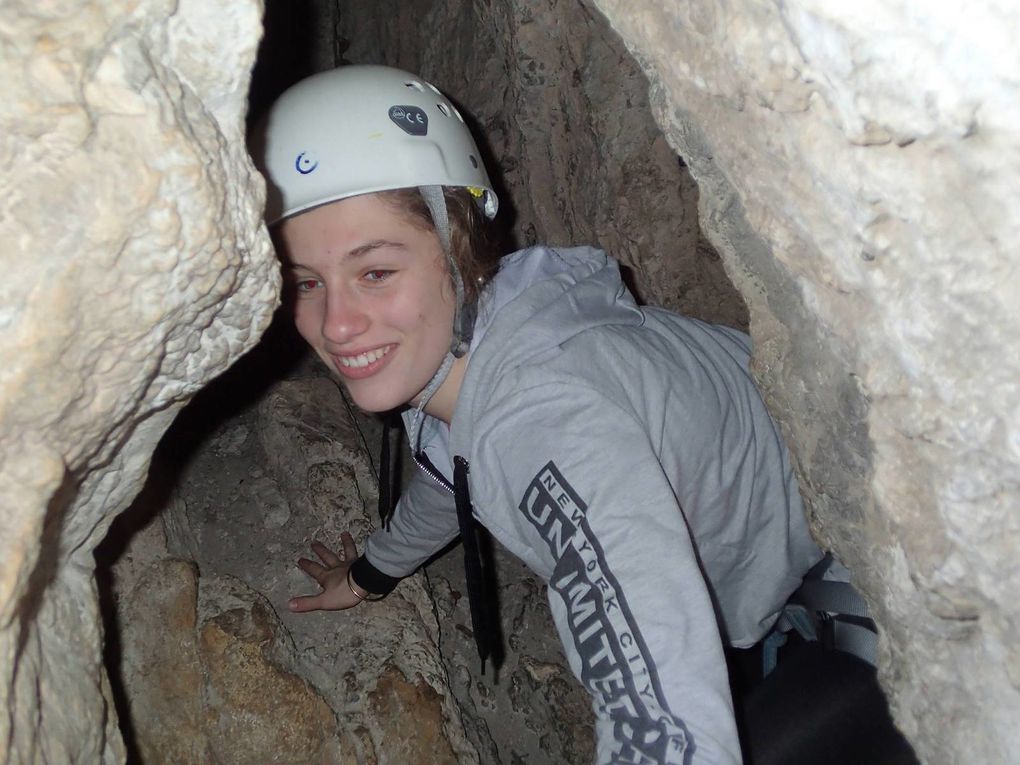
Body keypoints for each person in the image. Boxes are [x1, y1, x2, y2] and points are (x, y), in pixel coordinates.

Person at [253, 65, 827, 765]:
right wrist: (371, 572)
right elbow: (447, 471)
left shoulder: (546, 419)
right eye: (306, 282)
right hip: (781, 526)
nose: (336, 325)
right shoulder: (497, 328)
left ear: (457, 251)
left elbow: (666, 728)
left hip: (853, 573)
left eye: (376, 271)